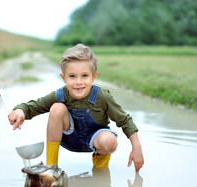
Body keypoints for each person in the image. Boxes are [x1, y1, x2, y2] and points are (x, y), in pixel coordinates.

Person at [8, 44, 144, 172]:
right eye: (72, 76)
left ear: (94, 76)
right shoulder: (61, 94)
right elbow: (36, 106)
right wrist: (20, 110)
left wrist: (136, 147)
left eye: (84, 76)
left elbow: (124, 120)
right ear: (64, 78)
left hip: (95, 140)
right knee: (56, 108)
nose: (78, 82)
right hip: (69, 138)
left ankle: (101, 170)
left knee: (110, 140)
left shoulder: (102, 97)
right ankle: (51, 168)